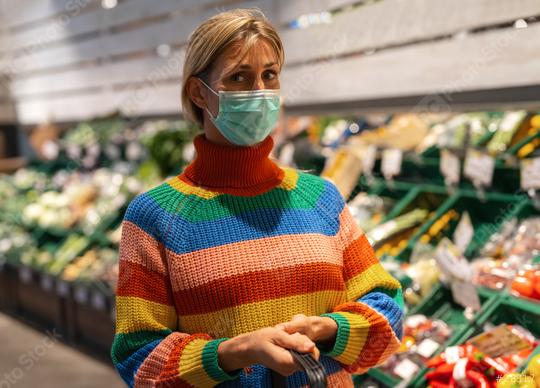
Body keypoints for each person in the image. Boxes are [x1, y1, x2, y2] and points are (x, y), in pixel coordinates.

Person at [110, 8, 403, 387]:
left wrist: (328, 327)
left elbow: (387, 309)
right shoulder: (155, 217)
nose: (260, 92)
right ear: (199, 92)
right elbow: (139, 357)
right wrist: (234, 352)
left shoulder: (321, 199)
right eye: (238, 78)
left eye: (269, 75)